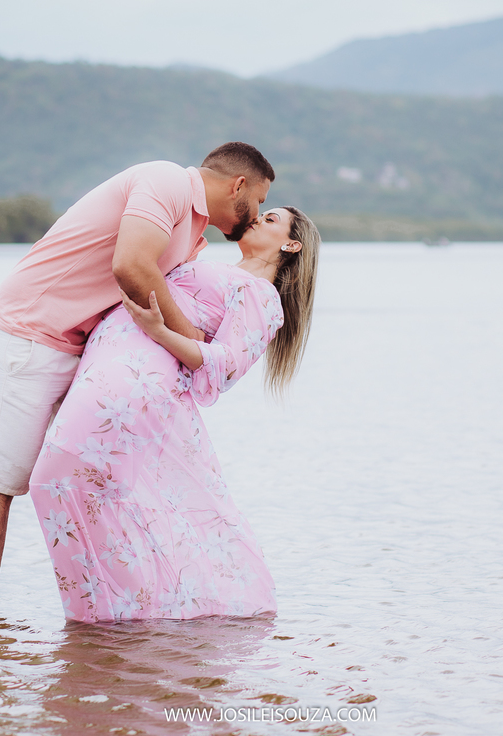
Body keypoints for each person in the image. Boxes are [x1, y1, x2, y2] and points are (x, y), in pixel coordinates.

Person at [0, 142, 276, 619]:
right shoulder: (167, 182)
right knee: (4, 478)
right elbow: (132, 267)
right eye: (259, 201)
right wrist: (190, 335)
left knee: (92, 478)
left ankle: (114, 614)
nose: (256, 214)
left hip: (81, 350)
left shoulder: (195, 240)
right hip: (29, 333)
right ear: (239, 185)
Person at [29, 206, 319, 621]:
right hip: (110, 374)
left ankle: (113, 618)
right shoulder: (214, 267)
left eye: (271, 219)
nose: (257, 217)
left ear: (291, 244)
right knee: (88, 492)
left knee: (55, 483)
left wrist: (159, 332)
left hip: (135, 383)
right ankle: (118, 617)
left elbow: (225, 365)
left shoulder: (260, 294)